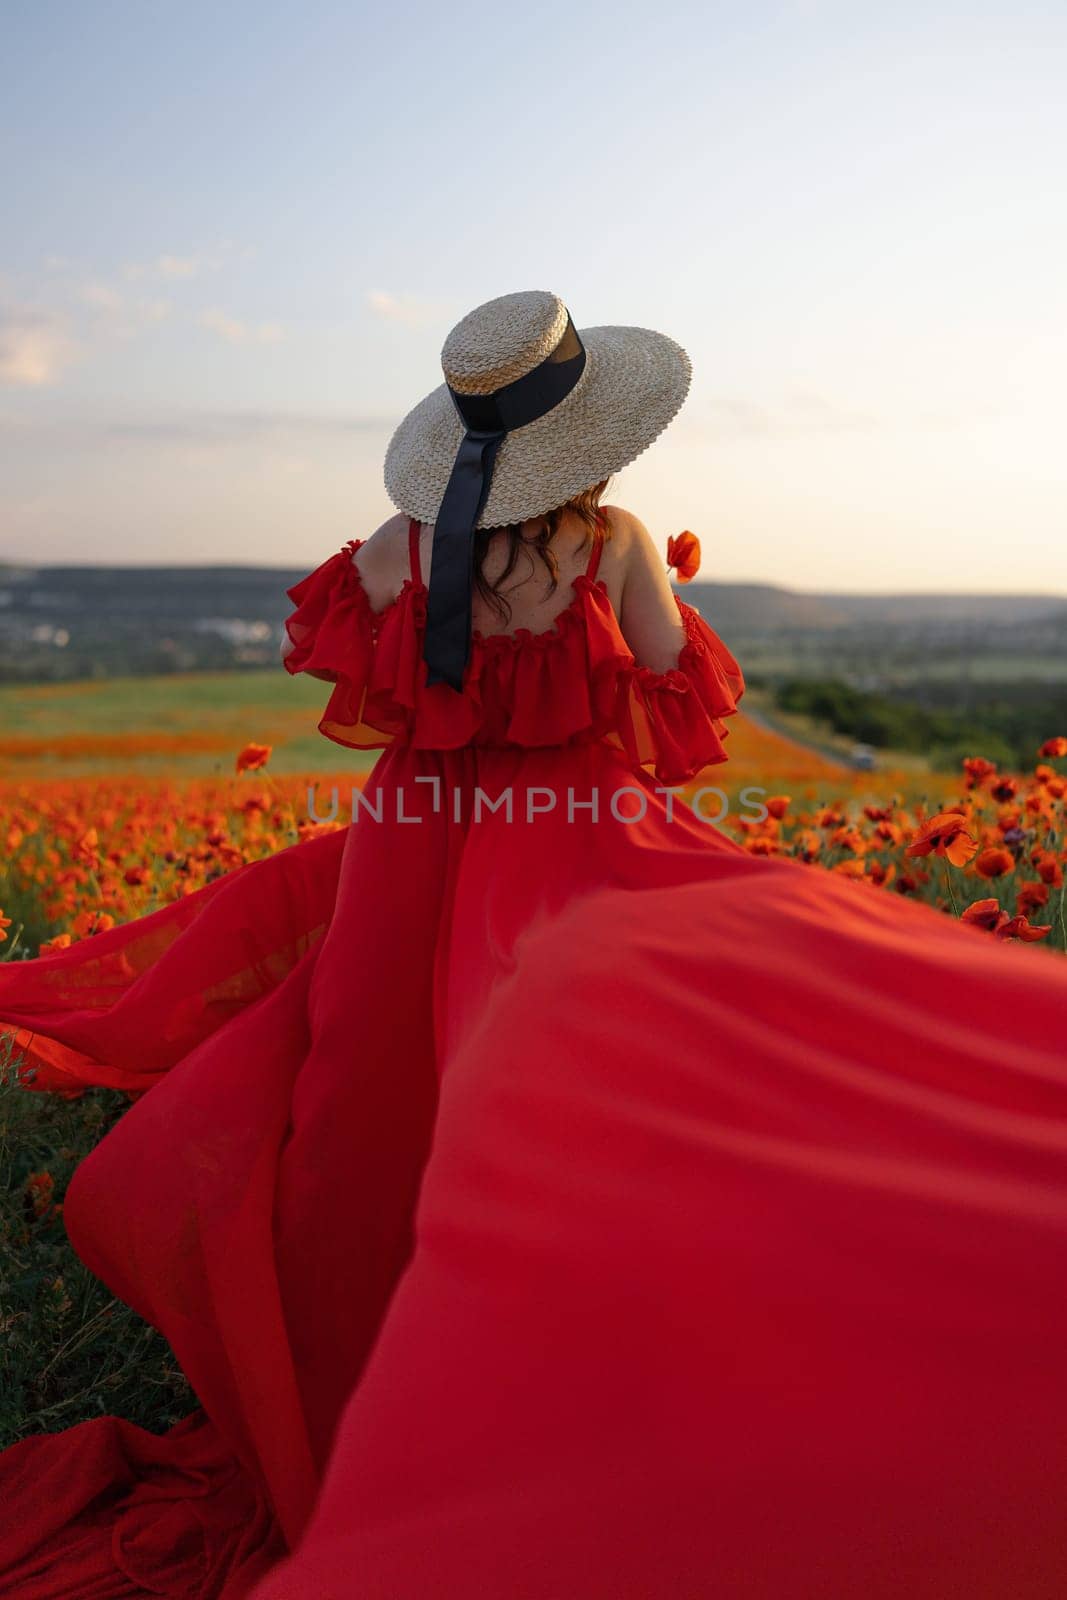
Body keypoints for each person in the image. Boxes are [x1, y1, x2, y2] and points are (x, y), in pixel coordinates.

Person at [2, 289, 1066, 1600]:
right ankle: (577, 1355)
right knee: (590, 1082)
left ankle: (355, 1403)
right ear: (589, 440)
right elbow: (674, 709)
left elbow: (374, 697)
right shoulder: (613, 539)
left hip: (412, 844)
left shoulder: (390, 554)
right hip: (561, 838)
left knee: (371, 1110)